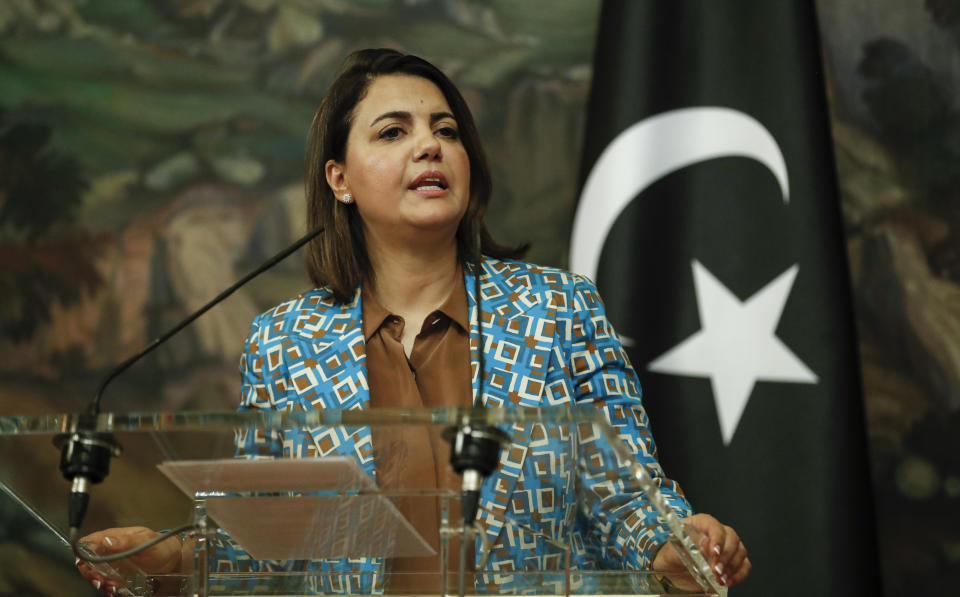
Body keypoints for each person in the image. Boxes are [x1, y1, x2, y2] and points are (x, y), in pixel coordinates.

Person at [78, 48, 750, 594]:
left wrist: (678, 547)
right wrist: (167, 558)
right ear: (339, 179)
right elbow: (260, 542)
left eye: (446, 131)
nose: (429, 145)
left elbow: (632, 497)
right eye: (394, 131)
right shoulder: (284, 343)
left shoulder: (560, 309)